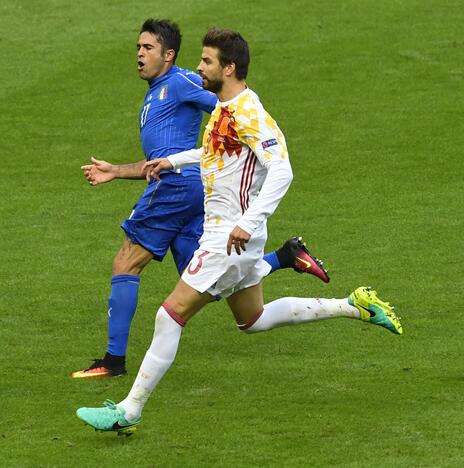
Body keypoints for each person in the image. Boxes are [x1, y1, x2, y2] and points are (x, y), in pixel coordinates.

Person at [76, 27, 402, 435]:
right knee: (253, 319)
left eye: (207, 61)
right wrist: (173, 162)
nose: (199, 67)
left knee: (169, 316)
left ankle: (129, 410)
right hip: (233, 236)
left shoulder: (249, 113)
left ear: (229, 68)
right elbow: (214, 151)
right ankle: (355, 306)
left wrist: (247, 224)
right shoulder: (224, 109)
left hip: (228, 237)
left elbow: (282, 169)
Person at [73, 19, 330, 380]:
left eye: (147, 48)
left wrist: (240, 118)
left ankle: (114, 362)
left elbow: (226, 107)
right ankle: (285, 257)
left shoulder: (180, 81)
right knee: (211, 281)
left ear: (169, 55)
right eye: (138, 48)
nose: (139, 55)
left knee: (126, 264)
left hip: (178, 188)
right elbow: (175, 154)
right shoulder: (159, 90)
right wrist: (116, 170)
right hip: (192, 188)